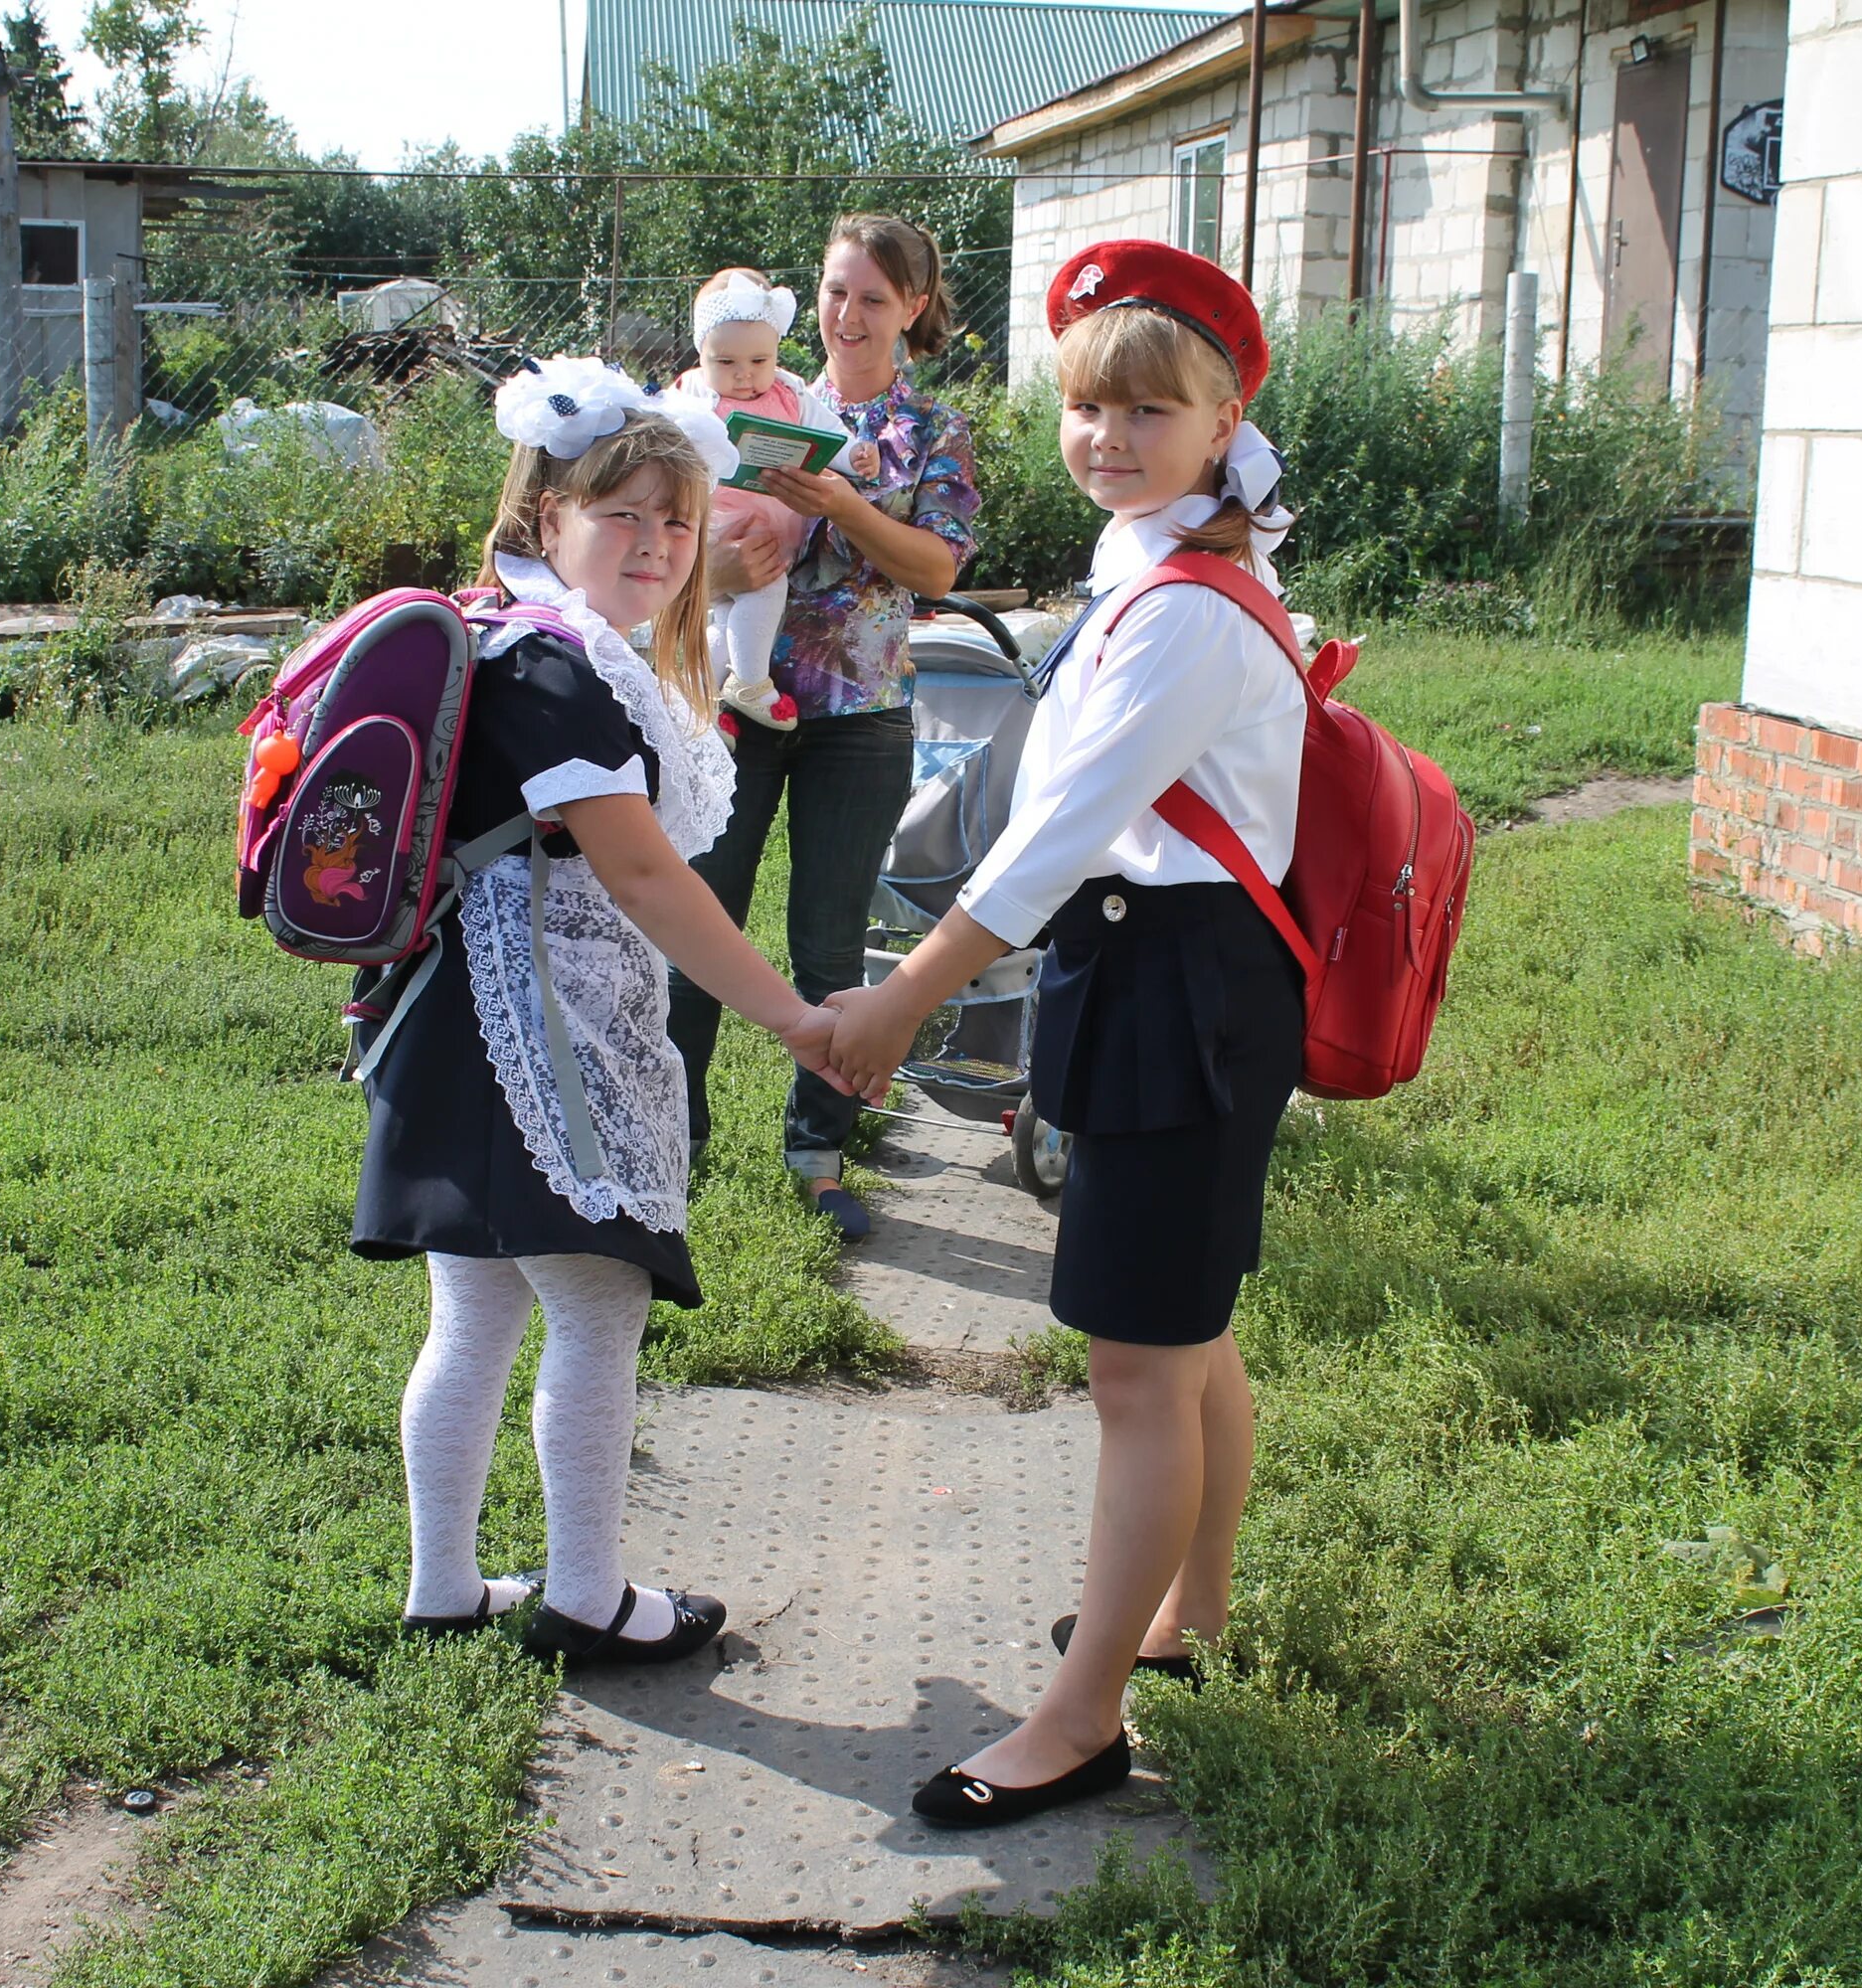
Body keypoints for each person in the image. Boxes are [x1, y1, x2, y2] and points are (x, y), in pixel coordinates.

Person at [820, 241, 1303, 1823]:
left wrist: (901, 997)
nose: (1108, 437)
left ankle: (1082, 1721)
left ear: (1228, 417)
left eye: (1149, 410)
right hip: (1156, 972)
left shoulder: (1185, 613)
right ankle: (1189, 1616)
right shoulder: (1157, 570)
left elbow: (1046, 843)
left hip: (1179, 983)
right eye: (1090, 407)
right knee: (1189, 1332)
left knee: (1135, 1372)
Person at [352, 356, 847, 1667]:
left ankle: (445, 1587)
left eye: (676, 520)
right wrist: (794, 1019)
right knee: (593, 1306)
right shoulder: (554, 670)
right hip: (532, 1034)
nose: (653, 542)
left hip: (449, 1016)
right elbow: (638, 868)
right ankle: (586, 1598)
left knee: (478, 1316)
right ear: (544, 518)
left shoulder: (519, 638)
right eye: (619, 513)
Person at [664, 214, 982, 1241]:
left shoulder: (930, 429)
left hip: (863, 715)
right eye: (837, 290)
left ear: (914, 309)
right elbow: (648, 532)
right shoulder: (753, 391)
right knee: (696, 923)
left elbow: (937, 568)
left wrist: (842, 503)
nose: (848, 315)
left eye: (874, 299)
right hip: (731, 706)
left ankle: (817, 1148)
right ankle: (675, 1141)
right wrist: (702, 571)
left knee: (830, 943)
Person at [674, 268, 876, 735]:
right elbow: (667, 441)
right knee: (763, 588)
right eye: (725, 362)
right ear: (700, 353)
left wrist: (855, 454)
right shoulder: (693, 395)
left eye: (759, 360)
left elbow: (828, 432)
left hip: (772, 525)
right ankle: (749, 683)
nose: (744, 375)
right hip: (725, 527)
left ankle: (700, 706)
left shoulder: (789, 392)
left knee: (725, 616)